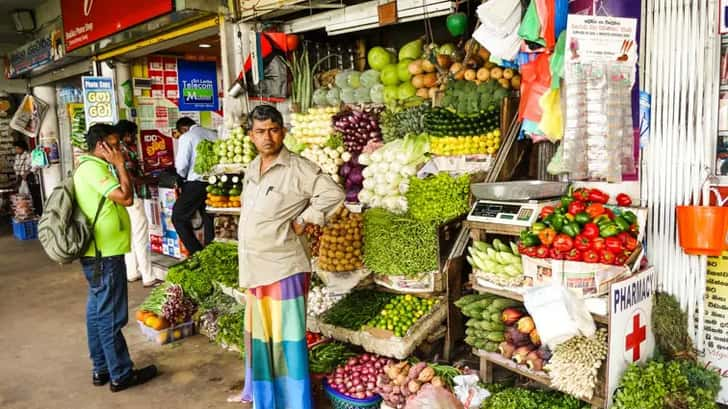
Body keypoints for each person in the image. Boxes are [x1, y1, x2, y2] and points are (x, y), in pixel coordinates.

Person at [234, 105, 344, 408]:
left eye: (272, 129)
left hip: (284, 267)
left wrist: (305, 219)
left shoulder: (299, 168)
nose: (267, 137)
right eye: (260, 131)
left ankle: (295, 402)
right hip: (255, 267)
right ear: (251, 136)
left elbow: (333, 194)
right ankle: (265, 397)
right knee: (262, 340)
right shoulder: (251, 168)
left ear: (282, 131)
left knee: (287, 344)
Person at [74, 124, 158, 392]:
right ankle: (120, 374)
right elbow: (125, 197)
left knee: (97, 313)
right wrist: (121, 165)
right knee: (110, 316)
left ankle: (101, 368)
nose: (119, 148)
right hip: (104, 256)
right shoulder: (93, 168)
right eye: (115, 143)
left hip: (100, 254)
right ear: (102, 145)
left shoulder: (90, 166)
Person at [116, 119, 162, 287]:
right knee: (141, 236)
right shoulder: (124, 150)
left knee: (132, 236)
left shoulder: (116, 150)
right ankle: (148, 276)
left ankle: (132, 272)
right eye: (133, 135)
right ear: (126, 135)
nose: (135, 138)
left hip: (124, 198)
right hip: (133, 197)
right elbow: (131, 177)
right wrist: (152, 179)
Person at [172, 117, 216, 255]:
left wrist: (181, 176)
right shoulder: (213, 133)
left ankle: (196, 252)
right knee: (208, 216)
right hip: (215, 181)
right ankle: (210, 252)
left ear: (183, 129)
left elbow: (182, 164)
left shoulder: (187, 136)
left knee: (178, 217)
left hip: (196, 182)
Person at [13, 139, 42, 215]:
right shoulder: (17, 156)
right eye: (15, 148)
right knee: (23, 197)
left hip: (29, 178)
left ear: (22, 148)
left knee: (32, 196)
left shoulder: (28, 155)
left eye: (17, 148)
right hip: (22, 179)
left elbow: (34, 166)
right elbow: (16, 168)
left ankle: (36, 213)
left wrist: (26, 173)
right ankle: (27, 212)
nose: (16, 150)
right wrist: (18, 178)